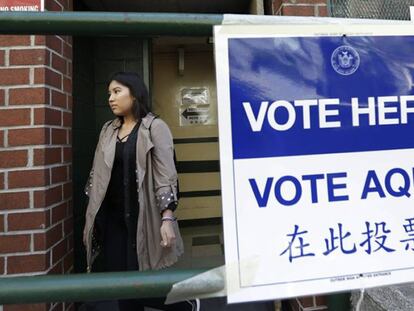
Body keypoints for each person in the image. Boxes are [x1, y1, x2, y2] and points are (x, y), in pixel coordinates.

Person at [82, 71, 200, 311]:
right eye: (109, 94)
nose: (111, 99)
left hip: (142, 218)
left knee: (141, 279)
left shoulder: (154, 127)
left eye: (117, 92)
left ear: (134, 94)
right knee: (120, 283)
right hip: (113, 221)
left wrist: (167, 218)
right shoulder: (108, 130)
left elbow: (166, 175)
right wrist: (91, 216)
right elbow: (96, 173)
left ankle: (183, 304)